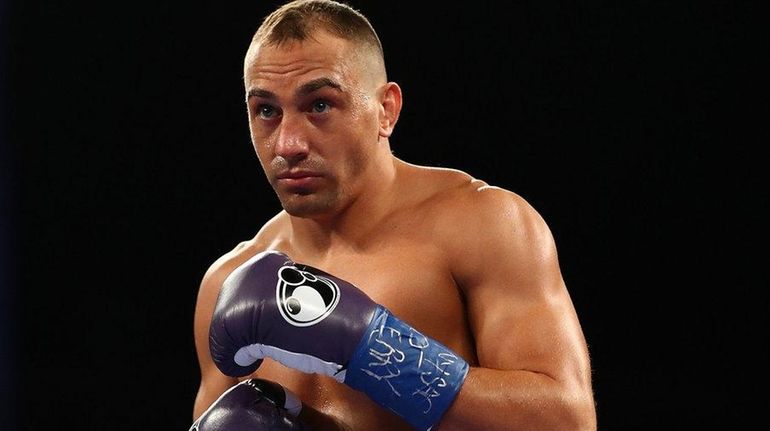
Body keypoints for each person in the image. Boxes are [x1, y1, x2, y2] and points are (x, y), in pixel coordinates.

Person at [191, 0, 597, 429]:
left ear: (386, 109)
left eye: (320, 105)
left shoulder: (482, 225)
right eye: (267, 111)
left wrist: (372, 349)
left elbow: (568, 420)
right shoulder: (227, 283)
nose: (288, 144)